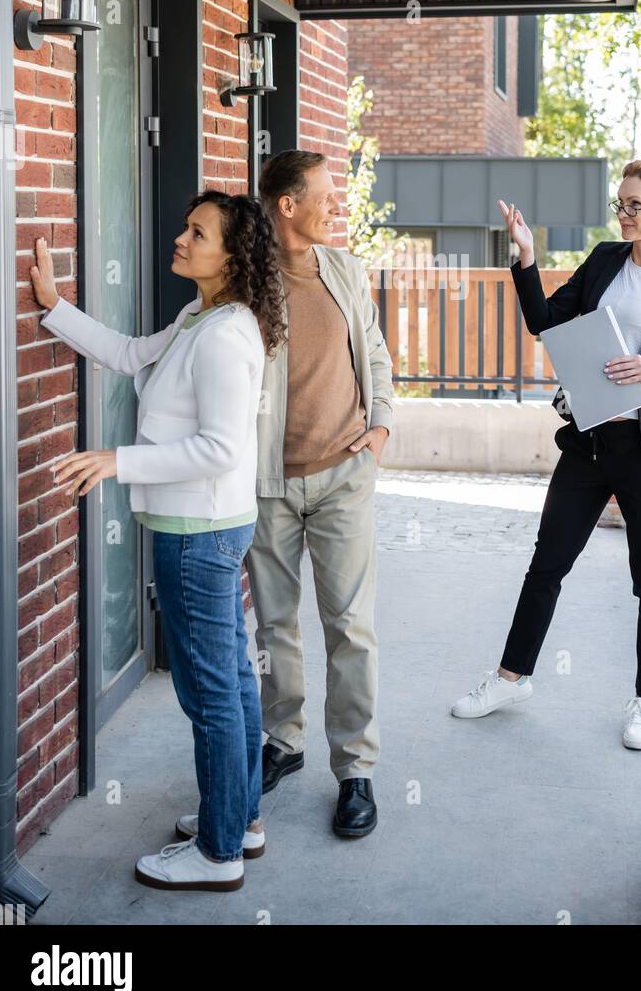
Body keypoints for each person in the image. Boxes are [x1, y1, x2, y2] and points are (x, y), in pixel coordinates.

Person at [29, 191, 286, 891]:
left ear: (231, 256)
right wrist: (54, 306)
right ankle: (241, 818)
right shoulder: (197, 318)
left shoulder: (227, 335)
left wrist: (116, 461)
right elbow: (127, 354)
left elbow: (218, 449)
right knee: (230, 681)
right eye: (185, 227)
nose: (180, 238)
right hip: (205, 526)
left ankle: (217, 851)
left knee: (210, 695)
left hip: (197, 533)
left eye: (196, 233)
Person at [451, 157, 641, 749]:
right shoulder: (604, 261)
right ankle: (510, 678)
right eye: (619, 204)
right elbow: (544, 321)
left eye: (634, 205)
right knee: (547, 563)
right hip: (589, 441)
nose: (622, 214)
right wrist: (526, 256)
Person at [249, 150, 394, 838]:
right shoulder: (244, 281)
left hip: (341, 474)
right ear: (287, 204)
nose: (333, 205)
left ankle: (355, 769)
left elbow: (375, 350)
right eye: (323, 195)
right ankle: (284, 742)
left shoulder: (342, 268)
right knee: (274, 626)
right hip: (267, 482)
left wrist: (382, 424)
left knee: (350, 628)